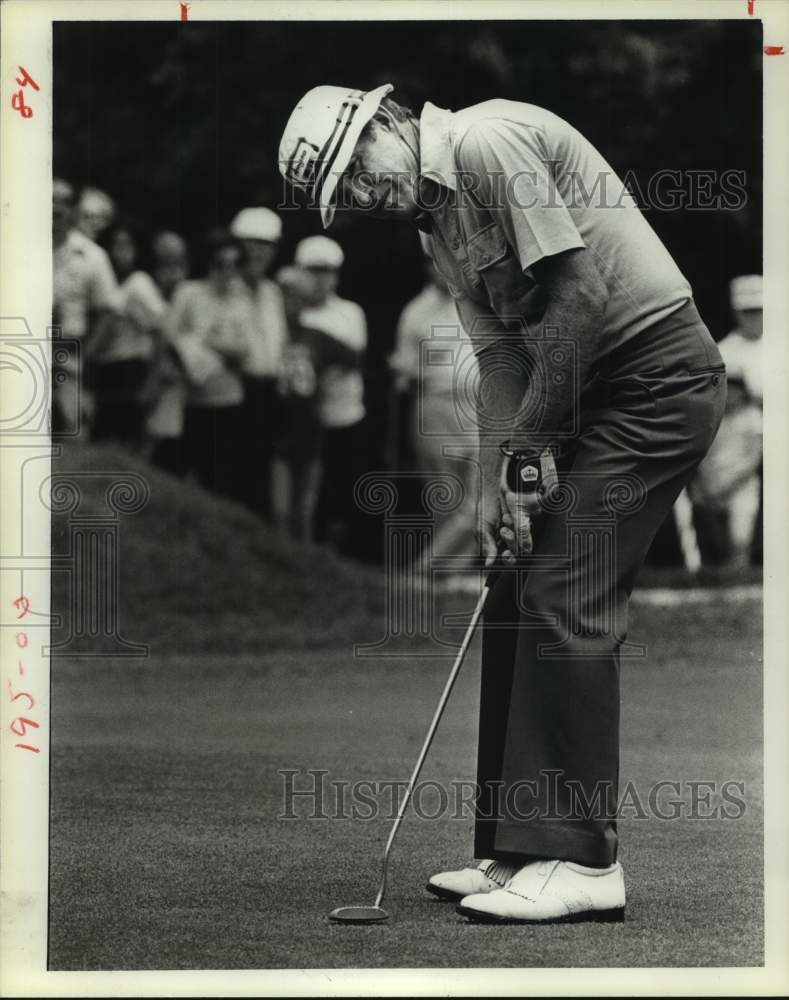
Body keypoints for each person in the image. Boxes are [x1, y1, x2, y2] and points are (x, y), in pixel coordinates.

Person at [279, 85, 726, 924]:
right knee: (513, 583)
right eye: (346, 196)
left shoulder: (486, 142)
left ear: (388, 123)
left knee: (565, 589)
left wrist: (527, 450)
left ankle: (585, 860)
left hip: (656, 382)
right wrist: (494, 487)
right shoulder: (436, 225)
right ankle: (517, 848)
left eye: (358, 169)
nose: (365, 196)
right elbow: (499, 361)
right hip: (587, 389)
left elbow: (580, 296)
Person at [391, 255, 480, 575]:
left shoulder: (477, 299)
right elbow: (404, 377)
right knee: (445, 498)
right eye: (433, 262)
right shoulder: (415, 312)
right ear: (427, 268)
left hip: (480, 408)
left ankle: (426, 569)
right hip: (435, 407)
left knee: (480, 499)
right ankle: (446, 574)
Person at [272, 266, 363, 542]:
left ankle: (304, 562)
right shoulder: (267, 332)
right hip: (273, 429)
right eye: (286, 296)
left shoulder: (315, 336)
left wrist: (325, 380)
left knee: (304, 510)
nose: (291, 303)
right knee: (280, 511)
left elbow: (354, 358)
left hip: (308, 429)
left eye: (298, 298)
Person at [293, 235, 368, 554]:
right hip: (305, 419)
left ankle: (340, 552)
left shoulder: (350, 312)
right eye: (314, 271)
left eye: (328, 272)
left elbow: (351, 358)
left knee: (343, 488)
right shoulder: (294, 312)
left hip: (346, 414)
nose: (321, 279)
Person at [164, 229, 251, 500]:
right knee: (186, 477)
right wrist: (217, 344)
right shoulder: (189, 292)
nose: (228, 271)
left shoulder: (241, 299)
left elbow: (244, 350)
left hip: (229, 398)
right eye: (221, 264)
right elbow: (170, 336)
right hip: (192, 398)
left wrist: (205, 340)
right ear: (208, 262)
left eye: (235, 264)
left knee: (222, 480)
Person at [689, 274, 763, 570]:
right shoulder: (724, 351)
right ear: (736, 311)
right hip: (738, 448)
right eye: (748, 311)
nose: (754, 317)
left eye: (759, 310)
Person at [229, 207, 288, 518]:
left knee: (262, 473)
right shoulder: (225, 288)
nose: (260, 252)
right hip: (234, 388)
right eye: (252, 244)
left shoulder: (273, 292)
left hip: (268, 391)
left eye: (267, 245)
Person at [91, 220, 167, 450]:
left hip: (129, 369)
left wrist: (152, 379)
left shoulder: (139, 283)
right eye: (116, 245)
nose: (120, 252)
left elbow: (161, 329)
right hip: (107, 369)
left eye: (127, 245)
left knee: (123, 442)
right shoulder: (109, 283)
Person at [52, 178, 119, 436]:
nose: (57, 208)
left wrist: (89, 354)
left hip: (70, 356)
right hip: (21, 352)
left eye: (65, 202)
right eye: (51, 199)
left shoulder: (93, 256)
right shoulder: (14, 248)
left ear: (74, 210)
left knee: (72, 432)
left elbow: (109, 312)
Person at [148, 232, 191, 475]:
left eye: (178, 265)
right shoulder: (146, 295)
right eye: (165, 266)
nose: (173, 275)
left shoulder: (191, 299)